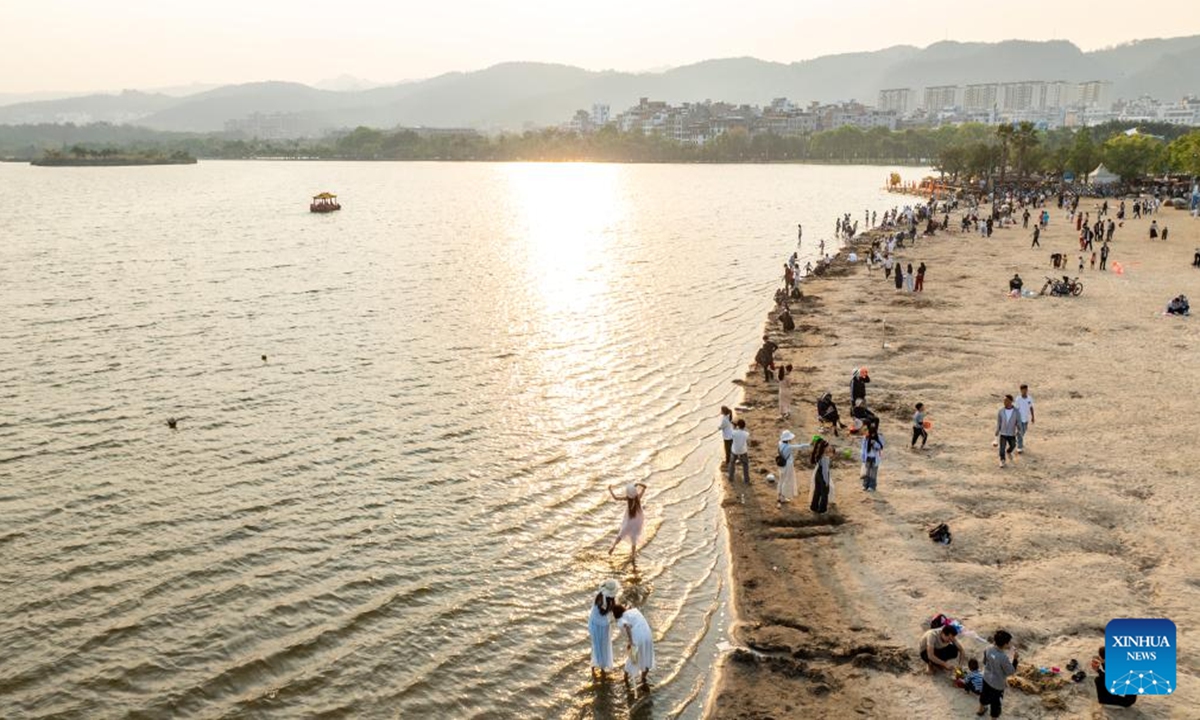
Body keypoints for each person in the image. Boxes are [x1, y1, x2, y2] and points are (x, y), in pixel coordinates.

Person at [978, 630, 1019, 718]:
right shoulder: (1003, 657)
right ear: (1005, 644)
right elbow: (1010, 671)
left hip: (986, 678)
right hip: (997, 685)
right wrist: (1015, 659)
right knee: (995, 704)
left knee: (984, 695)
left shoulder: (988, 648)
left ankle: (981, 709)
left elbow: (985, 661)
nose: (1010, 644)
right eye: (1009, 643)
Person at [613, 604, 655, 684]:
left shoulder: (621, 620)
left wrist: (630, 642)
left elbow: (627, 627)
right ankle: (643, 678)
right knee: (647, 656)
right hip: (648, 635)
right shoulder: (634, 611)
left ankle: (625, 678)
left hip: (637, 639)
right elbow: (629, 609)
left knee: (632, 659)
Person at [608, 483, 647, 559]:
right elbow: (645, 487)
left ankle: (613, 546)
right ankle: (632, 555)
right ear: (634, 492)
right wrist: (637, 484)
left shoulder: (627, 499)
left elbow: (615, 498)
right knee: (634, 538)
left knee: (621, 534)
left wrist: (610, 490)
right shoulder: (638, 497)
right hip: (637, 522)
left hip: (629, 521)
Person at [589, 580, 620, 674]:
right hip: (599, 624)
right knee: (601, 645)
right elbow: (604, 612)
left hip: (597, 623)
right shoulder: (604, 600)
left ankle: (597, 666)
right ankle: (600, 666)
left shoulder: (603, 597)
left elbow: (607, 611)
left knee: (599, 645)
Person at [777, 430, 811, 505]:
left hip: (780, 464)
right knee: (787, 480)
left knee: (781, 479)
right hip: (787, 465)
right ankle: (783, 497)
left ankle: (779, 496)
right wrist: (809, 444)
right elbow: (800, 446)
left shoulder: (779, 443)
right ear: (788, 439)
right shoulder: (789, 447)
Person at [994, 395, 1020, 468]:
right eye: (1004, 400)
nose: (1004, 402)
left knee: (1013, 445)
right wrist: (997, 430)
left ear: (1011, 401)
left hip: (1011, 433)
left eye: (1006, 400)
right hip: (1003, 432)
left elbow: (1018, 421)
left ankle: (1008, 451)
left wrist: (1019, 429)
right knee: (1002, 448)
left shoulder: (1016, 411)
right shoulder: (1001, 411)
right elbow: (999, 422)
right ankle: (1002, 460)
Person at [809, 436, 833, 513]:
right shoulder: (825, 458)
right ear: (824, 448)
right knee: (824, 493)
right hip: (822, 475)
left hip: (817, 473)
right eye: (828, 447)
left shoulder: (818, 454)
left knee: (817, 491)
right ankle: (822, 509)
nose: (829, 448)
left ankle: (814, 506)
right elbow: (825, 471)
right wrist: (826, 482)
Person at [860, 423, 884, 491]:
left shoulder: (879, 437)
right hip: (867, 457)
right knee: (867, 472)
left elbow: (881, 447)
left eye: (874, 433)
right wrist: (862, 457)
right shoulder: (866, 438)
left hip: (875, 458)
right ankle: (865, 485)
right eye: (871, 433)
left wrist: (875, 443)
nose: (872, 435)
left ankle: (872, 486)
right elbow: (863, 448)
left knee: (873, 473)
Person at [728, 419, 750, 484]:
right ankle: (746, 480)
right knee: (745, 465)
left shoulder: (734, 432)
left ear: (738, 425)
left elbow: (731, 436)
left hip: (734, 450)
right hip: (743, 451)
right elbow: (747, 441)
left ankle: (730, 477)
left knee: (732, 463)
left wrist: (734, 427)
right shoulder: (746, 434)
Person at [1014, 385, 1034, 453]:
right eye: (1023, 390)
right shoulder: (1018, 399)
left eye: (1025, 390)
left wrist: (1033, 417)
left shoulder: (1029, 398)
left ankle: (1016, 438)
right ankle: (1020, 447)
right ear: (1021, 390)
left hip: (1026, 418)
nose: (1024, 391)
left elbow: (1031, 407)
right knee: (1020, 433)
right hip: (1019, 419)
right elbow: (1016, 409)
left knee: (1023, 431)